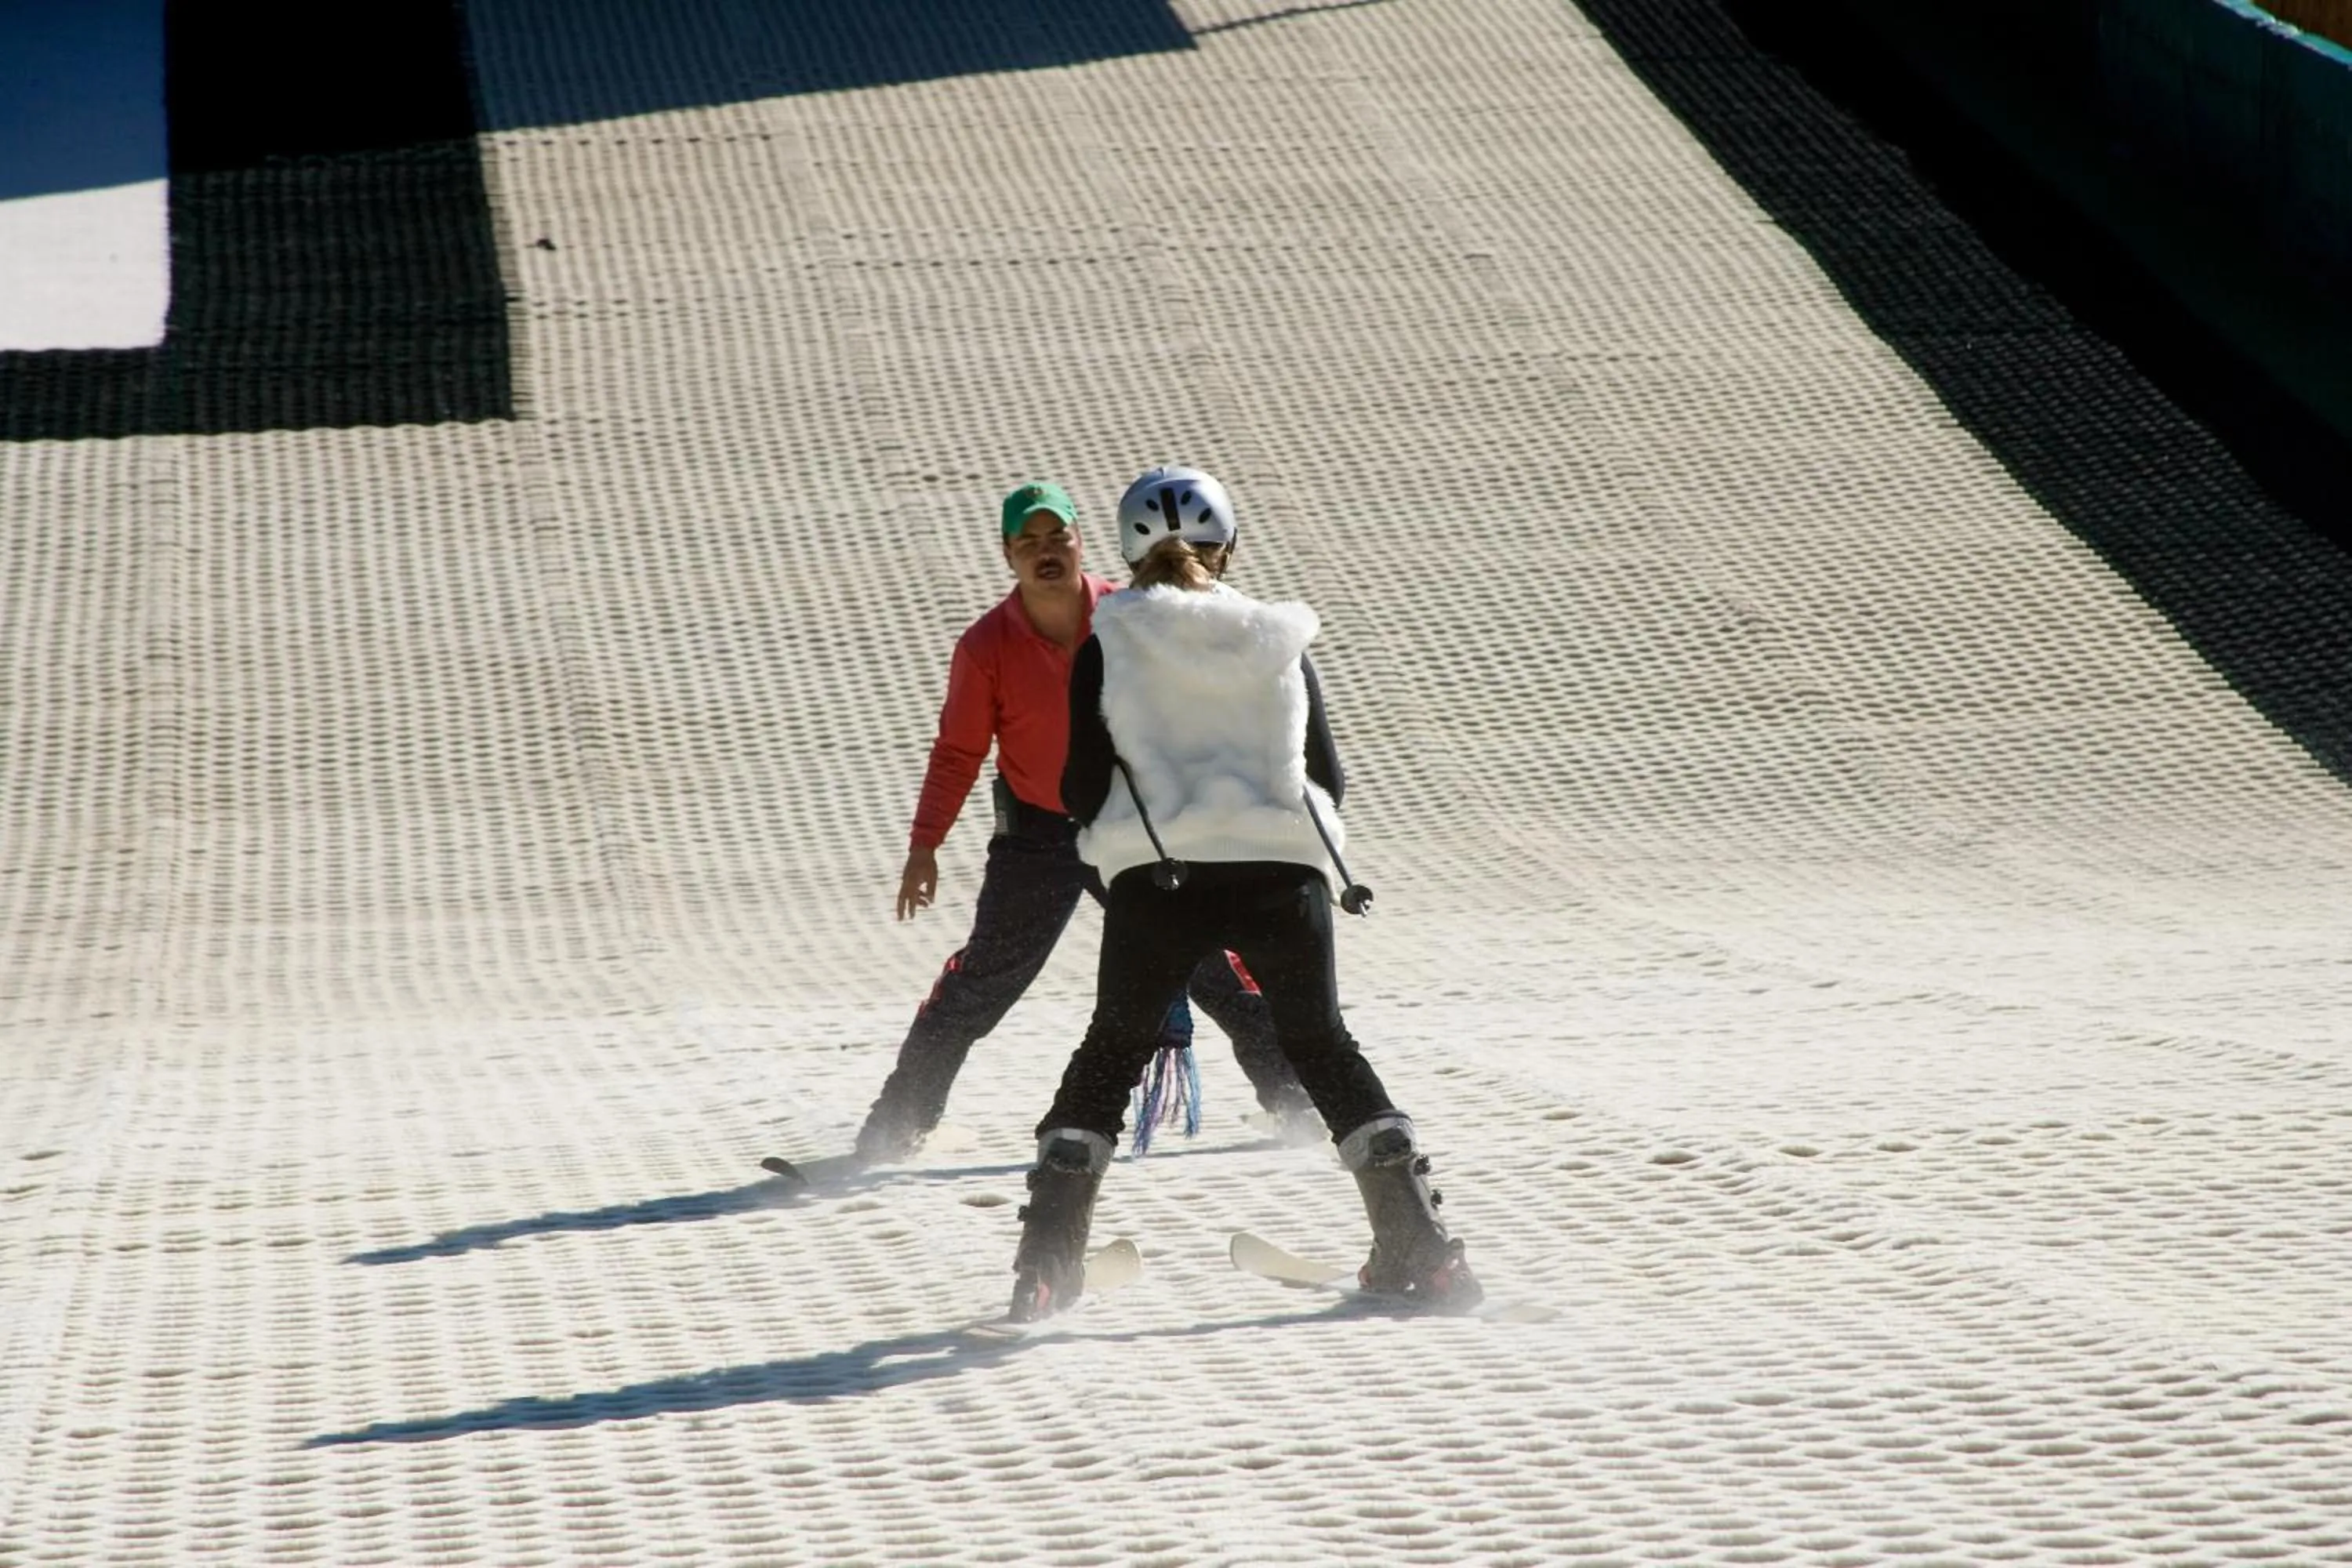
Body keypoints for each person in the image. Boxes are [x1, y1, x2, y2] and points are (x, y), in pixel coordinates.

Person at [1003, 464, 1481, 1321]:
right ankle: (1423, 1250)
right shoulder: (1277, 635)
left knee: (1109, 1056)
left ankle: (1046, 1267)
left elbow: (1080, 788)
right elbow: (1328, 777)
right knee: (1324, 1048)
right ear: (1229, 544)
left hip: (1160, 880)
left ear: (1127, 551)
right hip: (1282, 877)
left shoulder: (1111, 642)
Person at [851, 481, 1316, 1167]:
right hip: (1038, 836)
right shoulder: (986, 646)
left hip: (1131, 827)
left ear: (1079, 542)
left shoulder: (1126, 619)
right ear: (1008, 554)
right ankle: (895, 1129)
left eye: (1057, 537)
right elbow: (957, 752)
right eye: (1028, 542)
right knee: (983, 981)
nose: (1045, 552)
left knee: (1211, 963)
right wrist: (925, 846)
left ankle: (1295, 1101)